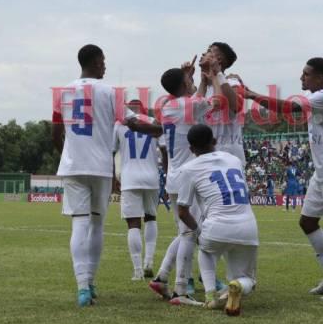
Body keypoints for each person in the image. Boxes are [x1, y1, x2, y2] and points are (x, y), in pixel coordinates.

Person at [246, 57, 323, 301]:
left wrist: (251, 95)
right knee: (307, 222)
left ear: (320, 77)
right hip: (322, 172)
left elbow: (289, 108)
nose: (301, 78)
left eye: (306, 74)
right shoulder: (319, 99)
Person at [51, 44, 150, 307]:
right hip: (100, 168)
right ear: (95, 62)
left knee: (79, 224)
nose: (105, 65)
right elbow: (133, 122)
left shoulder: (62, 92)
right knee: (96, 225)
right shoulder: (110, 93)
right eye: (103, 61)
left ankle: (82, 287)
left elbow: (55, 132)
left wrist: (69, 151)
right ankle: (90, 282)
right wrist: (157, 129)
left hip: (73, 166)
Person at [148, 65, 226, 305]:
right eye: (187, 79)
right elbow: (214, 100)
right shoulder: (188, 105)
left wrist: (193, 79)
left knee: (185, 232)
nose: (191, 81)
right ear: (183, 84)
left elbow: (194, 97)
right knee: (190, 232)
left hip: (175, 174)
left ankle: (162, 277)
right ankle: (181, 290)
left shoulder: (170, 106)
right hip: (188, 175)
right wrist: (210, 78)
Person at [177, 124, 258, 316]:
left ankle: (210, 294)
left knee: (205, 250)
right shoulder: (234, 159)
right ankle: (237, 284)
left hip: (216, 226)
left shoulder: (188, 168)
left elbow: (182, 212)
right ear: (214, 141)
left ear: (191, 149)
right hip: (248, 226)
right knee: (248, 280)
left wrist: (198, 233)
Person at [113, 99, 168, 281]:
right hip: (151, 176)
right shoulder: (153, 122)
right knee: (151, 217)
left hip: (129, 178)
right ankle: (149, 262)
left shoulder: (120, 124)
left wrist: (113, 177)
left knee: (133, 224)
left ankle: (137, 270)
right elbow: (164, 149)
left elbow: (112, 151)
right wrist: (166, 175)